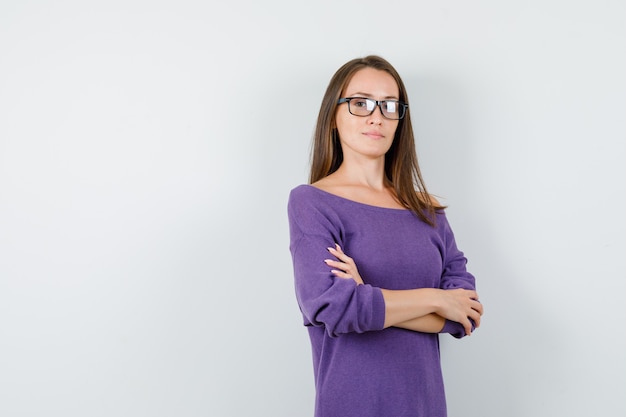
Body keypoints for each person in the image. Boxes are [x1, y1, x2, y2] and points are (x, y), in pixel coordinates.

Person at [287, 55, 483, 417]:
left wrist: (369, 296)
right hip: (352, 405)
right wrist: (436, 298)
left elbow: (464, 314)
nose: (376, 116)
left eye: (389, 105)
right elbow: (335, 307)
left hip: (426, 407)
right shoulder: (312, 202)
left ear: (399, 119)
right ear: (334, 114)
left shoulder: (428, 211)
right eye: (360, 103)